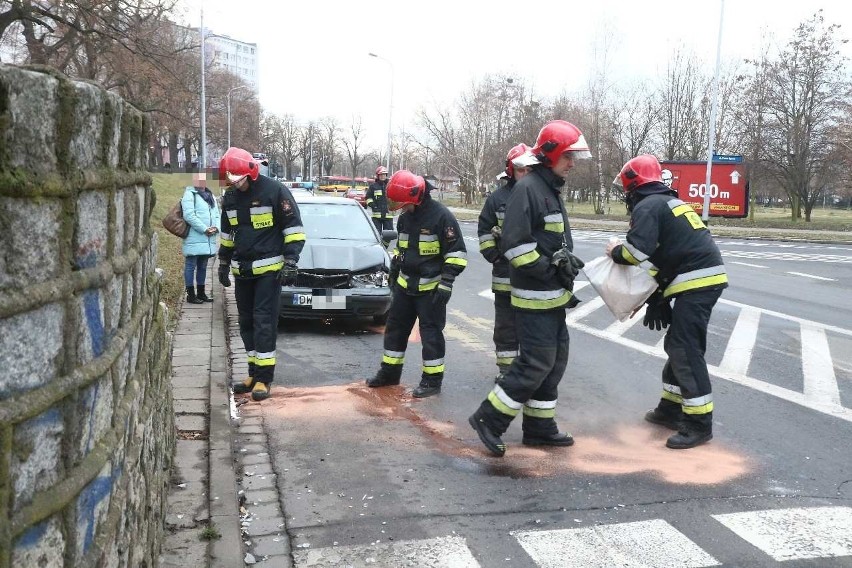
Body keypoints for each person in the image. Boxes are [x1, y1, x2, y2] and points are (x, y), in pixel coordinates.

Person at [469, 120, 589, 457]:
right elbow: (515, 245)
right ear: (550, 154)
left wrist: (563, 262)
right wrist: (548, 269)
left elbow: (549, 239)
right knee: (535, 362)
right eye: (568, 156)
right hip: (534, 296)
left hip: (552, 297)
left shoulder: (548, 187)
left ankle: (539, 426)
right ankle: (489, 419)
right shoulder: (529, 188)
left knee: (554, 361)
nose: (572, 163)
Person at [607, 154, 728, 449]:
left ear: (632, 186)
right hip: (699, 280)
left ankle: (698, 425)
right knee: (678, 343)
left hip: (695, 282)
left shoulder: (648, 206)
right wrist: (657, 300)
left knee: (685, 349)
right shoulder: (669, 203)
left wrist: (614, 251)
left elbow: (637, 253)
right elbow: (664, 257)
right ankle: (671, 409)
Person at [366, 170, 467, 398]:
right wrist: (394, 268)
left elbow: (457, 253)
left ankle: (432, 381)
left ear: (415, 197)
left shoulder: (441, 217)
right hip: (405, 285)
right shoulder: (405, 218)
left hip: (431, 288)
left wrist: (447, 281)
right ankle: (389, 374)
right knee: (395, 330)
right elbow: (403, 249)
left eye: (403, 203)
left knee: (430, 335)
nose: (401, 208)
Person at [217, 147, 306, 402]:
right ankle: (253, 373)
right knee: (246, 323)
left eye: (239, 179)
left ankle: (264, 379)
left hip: (269, 271)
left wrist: (291, 260)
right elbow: (227, 234)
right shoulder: (231, 197)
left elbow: (294, 229)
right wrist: (223, 261)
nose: (236, 185)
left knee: (263, 322)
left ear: (251, 172)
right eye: (231, 181)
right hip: (242, 270)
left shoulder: (274, 191)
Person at [477, 143, 536, 382]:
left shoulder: (539, 195)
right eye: (521, 170)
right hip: (505, 279)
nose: (526, 174)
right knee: (505, 328)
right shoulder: (497, 199)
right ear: (511, 171)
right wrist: (494, 255)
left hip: (533, 279)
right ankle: (506, 371)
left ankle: (530, 371)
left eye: (530, 169)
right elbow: (483, 231)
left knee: (532, 328)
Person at [181, 170, 220, 304]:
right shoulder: (189, 194)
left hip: (208, 237)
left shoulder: (211, 195)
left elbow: (217, 214)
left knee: (203, 265)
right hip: (194, 236)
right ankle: (191, 294)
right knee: (191, 265)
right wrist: (204, 229)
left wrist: (216, 227)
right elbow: (189, 215)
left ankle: (202, 293)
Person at [365, 165, 392, 233]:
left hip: (388, 215)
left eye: (384, 174)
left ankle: (385, 244)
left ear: (386, 175)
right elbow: (368, 198)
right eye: (381, 174)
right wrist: (373, 206)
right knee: (376, 234)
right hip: (376, 216)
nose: (383, 176)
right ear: (378, 175)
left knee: (388, 235)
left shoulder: (391, 186)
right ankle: (379, 244)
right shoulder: (373, 186)